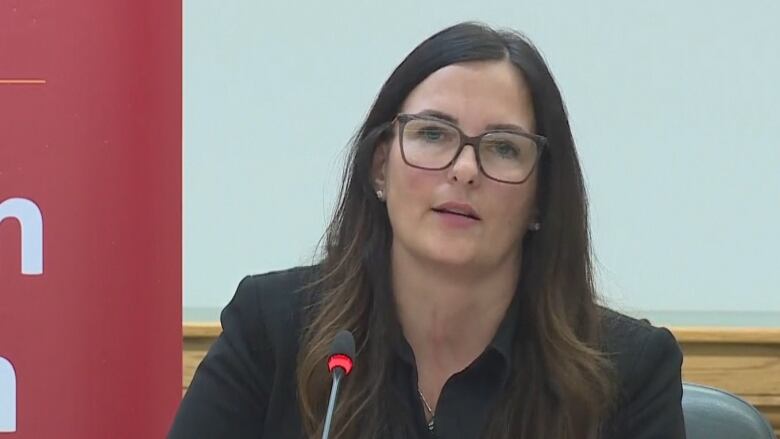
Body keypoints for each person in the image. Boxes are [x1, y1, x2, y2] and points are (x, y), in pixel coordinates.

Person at [168, 22, 686, 439]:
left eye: (504, 147)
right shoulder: (273, 330)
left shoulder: (627, 372)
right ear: (379, 168)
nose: (464, 169)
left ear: (542, 198)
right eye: (433, 134)